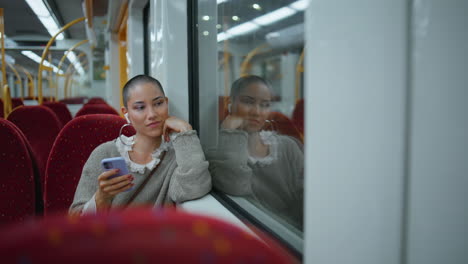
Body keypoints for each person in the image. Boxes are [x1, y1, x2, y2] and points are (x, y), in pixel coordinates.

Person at [70, 75, 211, 214]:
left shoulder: (178, 156)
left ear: (166, 103)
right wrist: (102, 198)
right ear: (126, 114)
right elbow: (75, 219)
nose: (152, 114)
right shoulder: (105, 153)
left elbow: (194, 188)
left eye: (158, 103)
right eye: (140, 107)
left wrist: (185, 131)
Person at [208, 75, 304, 230]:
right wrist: (230, 133)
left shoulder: (288, 147)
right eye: (248, 102)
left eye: (265, 105)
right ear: (230, 105)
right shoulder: (220, 152)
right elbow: (234, 187)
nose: (257, 112)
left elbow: (306, 198)